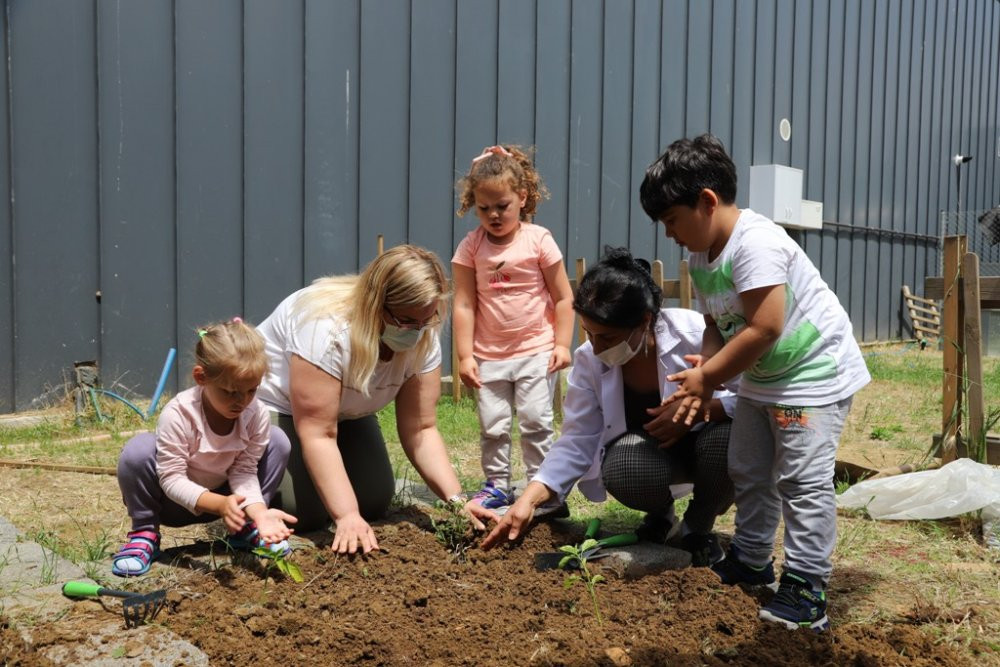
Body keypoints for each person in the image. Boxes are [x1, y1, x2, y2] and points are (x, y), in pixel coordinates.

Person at [639, 134, 871, 631]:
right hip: (763, 380)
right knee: (748, 468)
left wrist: (708, 377)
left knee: (802, 482)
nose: (670, 234)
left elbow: (765, 326)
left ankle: (807, 585)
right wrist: (705, 368)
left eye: (672, 221)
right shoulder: (703, 257)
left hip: (811, 377)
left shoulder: (757, 243)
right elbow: (714, 324)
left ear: (706, 201)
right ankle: (751, 558)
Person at [481, 247, 736, 567]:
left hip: (706, 448)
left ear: (645, 321)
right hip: (651, 456)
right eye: (590, 334)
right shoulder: (589, 361)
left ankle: (698, 527)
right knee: (623, 466)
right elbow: (576, 439)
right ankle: (660, 515)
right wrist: (528, 501)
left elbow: (755, 398)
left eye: (608, 337)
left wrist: (702, 409)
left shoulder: (695, 336)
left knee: (728, 440)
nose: (597, 347)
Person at [255, 245, 493, 554]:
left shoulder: (423, 333)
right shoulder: (325, 328)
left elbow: (421, 428)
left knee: (373, 498)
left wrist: (457, 501)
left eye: (426, 319)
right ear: (376, 305)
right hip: (278, 406)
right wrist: (347, 516)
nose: (416, 331)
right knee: (301, 511)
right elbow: (318, 432)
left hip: (347, 411)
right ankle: (236, 488)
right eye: (407, 321)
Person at [113, 318, 297, 577]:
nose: (242, 401)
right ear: (201, 377)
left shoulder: (255, 414)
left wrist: (259, 513)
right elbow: (172, 477)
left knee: (278, 440)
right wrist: (219, 504)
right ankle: (144, 534)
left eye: (251, 391)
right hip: (174, 503)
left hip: (232, 504)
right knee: (138, 451)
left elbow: (244, 471)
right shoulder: (179, 413)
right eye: (230, 392)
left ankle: (247, 528)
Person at [452, 145, 575, 514]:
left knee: (536, 420)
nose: (493, 215)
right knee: (493, 425)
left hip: (536, 348)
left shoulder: (538, 240)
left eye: (502, 206)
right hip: (489, 356)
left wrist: (563, 344)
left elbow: (564, 297)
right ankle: (497, 486)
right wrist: (464, 355)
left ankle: (545, 487)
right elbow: (463, 303)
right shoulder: (471, 247)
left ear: (522, 197)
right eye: (483, 207)